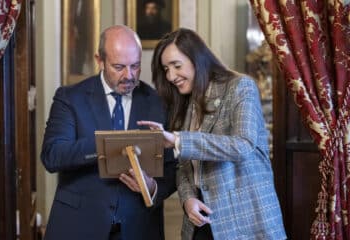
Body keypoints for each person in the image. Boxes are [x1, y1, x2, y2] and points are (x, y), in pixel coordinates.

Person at [138, 28, 287, 239]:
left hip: (246, 221)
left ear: (197, 60)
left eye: (176, 66)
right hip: (201, 221)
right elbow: (183, 166)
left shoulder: (240, 87)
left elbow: (242, 145)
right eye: (165, 69)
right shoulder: (185, 104)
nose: (170, 76)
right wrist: (187, 199)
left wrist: (179, 139)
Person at [41, 25, 177, 240]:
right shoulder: (70, 98)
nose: (129, 75)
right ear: (99, 60)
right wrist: (106, 145)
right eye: (119, 67)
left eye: (135, 66)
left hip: (139, 227)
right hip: (79, 224)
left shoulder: (159, 103)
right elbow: (52, 156)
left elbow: (173, 168)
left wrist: (153, 187)